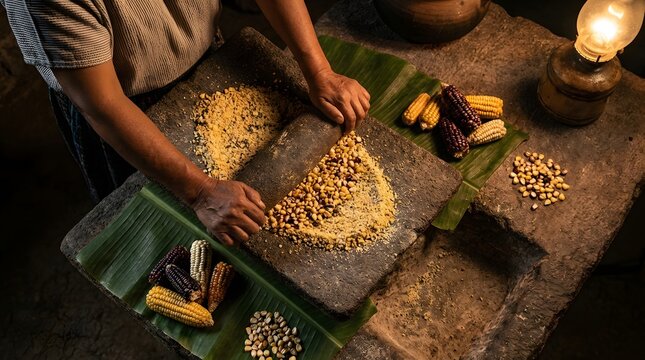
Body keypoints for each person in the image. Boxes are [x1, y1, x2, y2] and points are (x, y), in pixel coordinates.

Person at [2, 1, 370, 246]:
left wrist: (319, 71)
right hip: (128, 104)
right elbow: (103, 105)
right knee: (166, 234)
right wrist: (200, 192)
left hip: (205, 51)